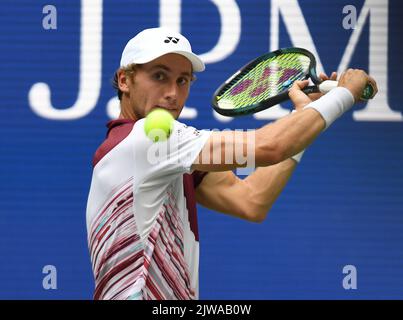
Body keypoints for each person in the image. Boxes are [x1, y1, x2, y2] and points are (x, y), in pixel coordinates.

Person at [86, 27, 377, 300]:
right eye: (159, 76)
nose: (173, 93)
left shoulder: (162, 157)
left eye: (182, 80)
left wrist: (306, 113)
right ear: (125, 80)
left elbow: (250, 201)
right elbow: (269, 146)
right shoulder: (149, 139)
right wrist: (344, 93)